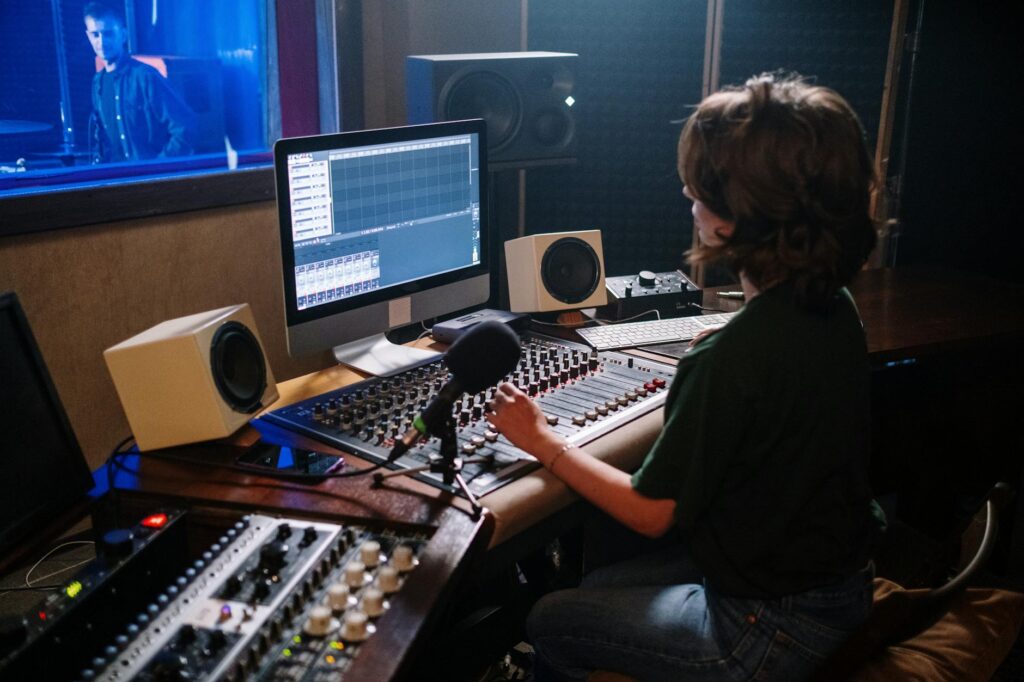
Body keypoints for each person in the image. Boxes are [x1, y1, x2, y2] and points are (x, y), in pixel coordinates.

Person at [487, 72, 885, 681]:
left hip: (763, 633)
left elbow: (651, 512)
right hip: (840, 588)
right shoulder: (832, 304)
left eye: (701, 190)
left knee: (548, 617)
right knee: (600, 580)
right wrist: (735, 335)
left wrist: (543, 440)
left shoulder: (731, 361)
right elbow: (774, 361)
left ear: (739, 219)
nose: (686, 194)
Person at [83, 2, 195, 163]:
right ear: (88, 36)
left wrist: (158, 168)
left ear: (122, 35)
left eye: (108, 34)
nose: (101, 41)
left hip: (147, 181)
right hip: (117, 180)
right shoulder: (97, 82)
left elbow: (185, 126)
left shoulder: (145, 77)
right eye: (95, 35)